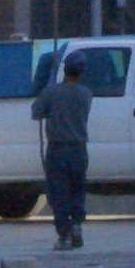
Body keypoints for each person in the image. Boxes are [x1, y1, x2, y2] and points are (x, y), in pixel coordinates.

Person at [30, 55, 94, 252]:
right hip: (79, 148)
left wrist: (46, 89)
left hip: (58, 149)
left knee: (59, 193)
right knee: (77, 189)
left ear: (64, 70)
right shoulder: (86, 94)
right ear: (81, 72)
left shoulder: (51, 92)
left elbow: (36, 113)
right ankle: (77, 225)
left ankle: (63, 235)